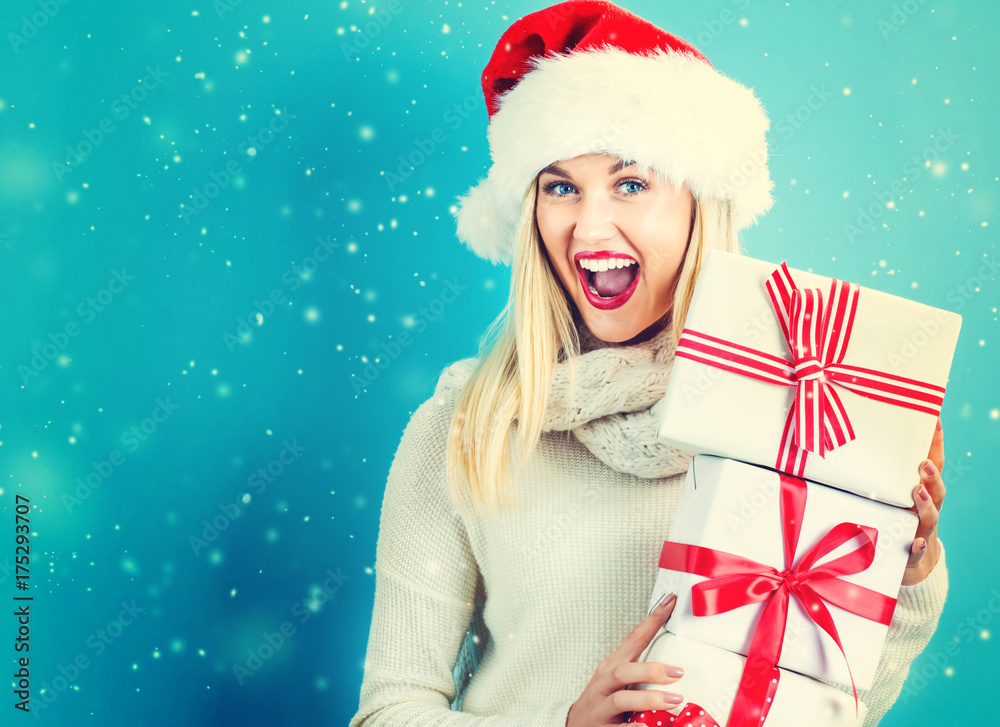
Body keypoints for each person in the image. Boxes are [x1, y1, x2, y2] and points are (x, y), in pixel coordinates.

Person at [348, 2, 948, 725]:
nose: (590, 226)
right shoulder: (463, 430)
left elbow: (833, 709)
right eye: (560, 185)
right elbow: (390, 711)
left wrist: (901, 571)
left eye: (631, 184)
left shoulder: (794, 417)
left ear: (700, 206)